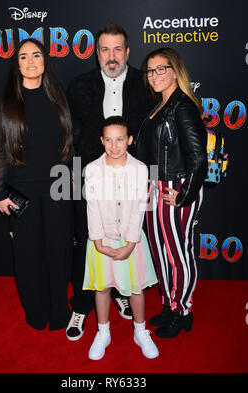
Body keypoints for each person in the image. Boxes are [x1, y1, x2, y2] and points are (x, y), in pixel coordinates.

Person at [66, 22, 153, 341]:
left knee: (128, 234)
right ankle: (82, 303)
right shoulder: (78, 86)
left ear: (128, 52)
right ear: (96, 54)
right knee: (88, 238)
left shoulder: (145, 85)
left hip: (132, 175)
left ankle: (119, 292)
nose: (111, 56)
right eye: (105, 49)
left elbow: (152, 133)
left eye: (118, 49)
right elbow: (69, 134)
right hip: (91, 178)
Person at [0, 38, 73, 331]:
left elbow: (69, 144)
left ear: (44, 61)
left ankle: (59, 311)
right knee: (28, 256)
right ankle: (36, 312)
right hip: (21, 192)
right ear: (17, 65)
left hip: (58, 189)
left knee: (58, 252)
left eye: (36, 55)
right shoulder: (5, 105)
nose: (30, 61)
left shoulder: (58, 98)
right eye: (23, 56)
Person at [135, 47, 207, 338]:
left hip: (176, 189)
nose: (154, 76)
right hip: (156, 189)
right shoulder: (158, 106)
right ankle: (169, 304)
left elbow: (198, 157)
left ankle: (183, 311)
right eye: (150, 71)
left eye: (161, 69)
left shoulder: (183, 107)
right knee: (161, 254)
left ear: (175, 70)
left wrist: (184, 195)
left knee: (178, 255)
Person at [83, 115, 158, 360]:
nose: (114, 146)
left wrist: (130, 242)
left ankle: (140, 330)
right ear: (102, 141)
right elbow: (92, 206)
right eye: (109, 140)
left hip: (131, 240)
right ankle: (103, 331)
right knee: (102, 287)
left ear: (130, 140)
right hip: (101, 239)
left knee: (135, 288)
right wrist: (97, 241)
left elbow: (139, 207)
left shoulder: (139, 169)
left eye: (120, 139)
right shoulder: (93, 169)